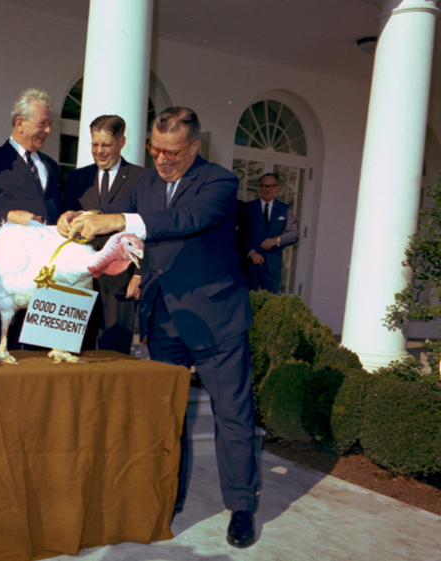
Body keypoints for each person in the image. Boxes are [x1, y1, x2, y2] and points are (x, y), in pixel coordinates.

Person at [59, 107, 260, 549]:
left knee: (233, 419)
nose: (163, 160)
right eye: (155, 150)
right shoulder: (147, 183)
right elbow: (114, 209)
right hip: (164, 319)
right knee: (167, 421)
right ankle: (168, 497)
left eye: (172, 152)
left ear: (194, 147)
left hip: (216, 322)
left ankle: (242, 507)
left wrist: (115, 221)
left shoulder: (220, 183)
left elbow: (181, 221)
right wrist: (78, 214)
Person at [0, 88, 61, 351]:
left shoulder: (51, 165)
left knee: (42, 348)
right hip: (11, 273)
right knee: (6, 346)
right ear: (19, 123)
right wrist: (8, 216)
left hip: (48, 274)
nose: (47, 131)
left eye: (49, 125)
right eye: (42, 124)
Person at [62, 114, 146, 354]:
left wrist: (139, 275)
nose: (99, 151)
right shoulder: (77, 178)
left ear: (121, 142)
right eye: (94, 144)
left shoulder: (142, 179)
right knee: (76, 351)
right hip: (80, 281)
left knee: (115, 353)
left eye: (106, 145)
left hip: (121, 282)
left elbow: (146, 230)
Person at [245, 172, 298, 294]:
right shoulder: (248, 208)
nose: (267, 189)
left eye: (271, 186)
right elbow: (241, 235)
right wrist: (251, 252)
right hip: (250, 265)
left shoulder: (285, 209)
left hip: (272, 267)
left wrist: (276, 240)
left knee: (270, 304)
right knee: (247, 304)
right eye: (264, 186)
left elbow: (293, 234)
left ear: (277, 187)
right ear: (259, 187)